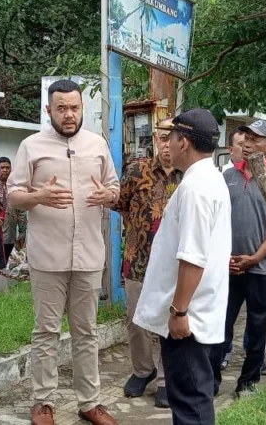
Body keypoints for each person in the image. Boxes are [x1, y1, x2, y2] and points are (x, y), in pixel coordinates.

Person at [7, 79, 120, 425]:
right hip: (47, 257)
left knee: (86, 331)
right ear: (48, 110)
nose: (69, 114)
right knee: (46, 332)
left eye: (74, 107)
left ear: (82, 108)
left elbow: (114, 188)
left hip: (88, 255)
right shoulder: (31, 146)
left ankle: (90, 402)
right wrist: (38, 197)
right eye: (61, 108)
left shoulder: (98, 145)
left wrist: (109, 197)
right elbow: (13, 196)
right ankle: (43, 402)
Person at [133, 108, 230, 425]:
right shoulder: (209, 179)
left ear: (184, 142)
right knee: (192, 397)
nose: (166, 145)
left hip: (190, 319)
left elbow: (192, 256)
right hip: (199, 311)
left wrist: (179, 312)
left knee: (190, 403)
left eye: (169, 137)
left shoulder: (195, 188)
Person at [211, 120, 266, 398]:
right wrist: (223, 257)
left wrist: (256, 257)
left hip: (262, 267)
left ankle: (248, 382)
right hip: (228, 266)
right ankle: (211, 380)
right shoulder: (228, 177)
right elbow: (216, 219)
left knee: (258, 326)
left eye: (255, 138)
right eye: (245, 137)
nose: (247, 142)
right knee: (220, 325)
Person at [111, 118, 182, 408]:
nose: (168, 145)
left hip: (175, 265)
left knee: (170, 321)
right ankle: (143, 369)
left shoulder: (188, 175)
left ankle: (167, 379)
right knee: (136, 320)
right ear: (155, 138)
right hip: (138, 261)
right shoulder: (136, 171)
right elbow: (122, 208)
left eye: (173, 138)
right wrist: (139, 237)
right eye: (163, 138)